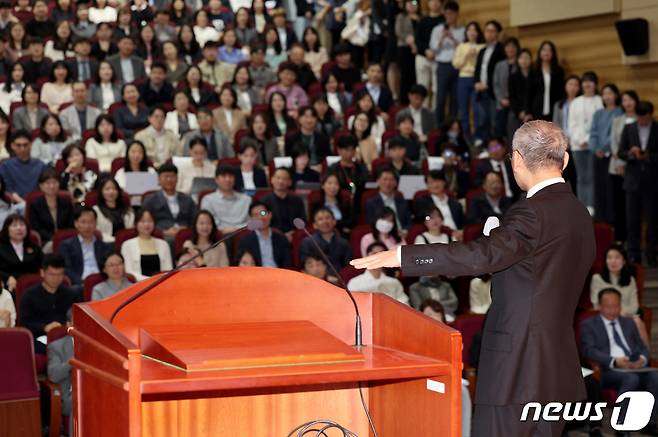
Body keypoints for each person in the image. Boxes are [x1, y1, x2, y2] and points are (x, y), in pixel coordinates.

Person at [351, 120, 596, 437]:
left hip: (516, 369)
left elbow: (483, 256)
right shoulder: (579, 214)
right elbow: (542, 268)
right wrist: (500, 238)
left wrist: (402, 255)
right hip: (556, 367)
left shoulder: (530, 213)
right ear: (564, 160)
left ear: (517, 159)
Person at [580, 288, 658, 436]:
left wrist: (641, 359)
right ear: (600, 306)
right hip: (608, 371)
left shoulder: (628, 323)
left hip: (635, 367)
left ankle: (650, 422)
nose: (613, 310)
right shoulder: (589, 324)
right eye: (609, 307)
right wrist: (615, 361)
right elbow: (588, 351)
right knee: (631, 378)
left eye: (616, 306)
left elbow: (643, 348)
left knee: (655, 377)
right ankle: (621, 425)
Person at [618, 101, 658, 266]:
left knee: (653, 220)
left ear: (651, 115)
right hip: (632, 181)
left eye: (645, 118)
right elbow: (620, 152)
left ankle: (652, 254)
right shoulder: (629, 128)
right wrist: (631, 154)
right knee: (632, 221)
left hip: (653, 181)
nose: (642, 121)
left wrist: (649, 156)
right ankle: (633, 254)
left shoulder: (657, 128)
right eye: (640, 118)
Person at [590, 244, 648, 345]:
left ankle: (643, 358)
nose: (613, 261)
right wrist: (619, 312)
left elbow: (634, 307)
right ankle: (643, 358)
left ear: (624, 261)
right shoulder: (597, 279)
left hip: (628, 317)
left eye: (617, 257)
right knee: (637, 322)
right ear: (605, 261)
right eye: (609, 257)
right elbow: (596, 304)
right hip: (606, 318)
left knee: (637, 321)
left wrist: (622, 313)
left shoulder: (630, 280)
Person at [568, 71, 603, 214]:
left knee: (593, 176)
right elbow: (572, 123)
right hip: (578, 145)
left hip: (594, 145)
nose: (587, 84)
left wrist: (589, 140)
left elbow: (600, 124)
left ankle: (592, 205)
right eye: (585, 81)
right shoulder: (576, 102)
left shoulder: (600, 101)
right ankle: (582, 206)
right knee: (582, 177)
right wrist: (580, 139)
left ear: (595, 84)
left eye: (591, 81)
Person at [590, 83, 623, 223]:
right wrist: (595, 148)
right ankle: (600, 219)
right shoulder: (598, 113)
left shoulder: (620, 112)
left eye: (610, 93)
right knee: (599, 187)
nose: (607, 96)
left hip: (612, 156)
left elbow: (615, 135)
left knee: (611, 190)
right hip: (598, 155)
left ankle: (612, 220)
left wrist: (605, 148)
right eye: (604, 93)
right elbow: (593, 133)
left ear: (616, 95)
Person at [609, 90, 639, 242]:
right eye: (625, 100)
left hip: (635, 170)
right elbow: (614, 143)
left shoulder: (641, 120)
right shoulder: (617, 120)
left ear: (636, 101)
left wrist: (627, 163)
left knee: (633, 208)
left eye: (630, 100)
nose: (627, 103)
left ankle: (634, 240)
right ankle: (620, 240)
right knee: (619, 205)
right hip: (616, 168)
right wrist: (620, 163)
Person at [57, 207, 113, 286]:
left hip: (102, 283)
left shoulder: (105, 246)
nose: (87, 226)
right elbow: (66, 269)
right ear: (76, 224)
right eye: (83, 222)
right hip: (79, 284)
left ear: (96, 224)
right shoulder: (66, 246)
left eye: (91, 222)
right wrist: (83, 283)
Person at [429, 1, 464, 125]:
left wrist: (453, 39)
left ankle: (451, 125)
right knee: (440, 97)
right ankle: (439, 125)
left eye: (452, 14)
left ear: (457, 14)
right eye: (447, 13)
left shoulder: (462, 30)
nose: (449, 16)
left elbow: (462, 49)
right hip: (442, 65)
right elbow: (433, 49)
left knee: (454, 98)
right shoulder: (437, 29)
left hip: (456, 66)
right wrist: (442, 38)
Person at [143, 163, 197, 239]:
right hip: (160, 237)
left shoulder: (187, 199)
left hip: (185, 236)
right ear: (159, 179)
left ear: (177, 178)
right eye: (166, 176)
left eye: (172, 176)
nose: (169, 179)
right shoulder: (150, 199)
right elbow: (144, 223)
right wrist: (163, 232)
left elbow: (195, 221)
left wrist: (186, 229)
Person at [473, 20, 505, 145]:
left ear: (497, 33)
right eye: (487, 31)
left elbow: (500, 74)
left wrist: (488, 85)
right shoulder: (482, 50)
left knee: (494, 122)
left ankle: (495, 148)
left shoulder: (501, 50)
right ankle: (484, 147)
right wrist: (476, 82)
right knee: (482, 121)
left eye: (492, 31)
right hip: (480, 90)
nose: (489, 34)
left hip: (493, 92)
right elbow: (477, 69)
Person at [452, 21, 484, 143]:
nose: (472, 32)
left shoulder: (481, 46)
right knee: (463, 111)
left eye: (474, 30)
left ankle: (477, 137)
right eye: (469, 30)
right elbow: (456, 65)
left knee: (477, 110)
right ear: (466, 32)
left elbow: (482, 66)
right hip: (463, 78)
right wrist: (466, 55)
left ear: (478, 33)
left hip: (476, 79)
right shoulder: (461, 46)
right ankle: (466, 137)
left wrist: (475, 55)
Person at [120, 208, 173, 281]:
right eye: (142, 221)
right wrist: (149, 280)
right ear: (136, 223)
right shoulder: (127, 245)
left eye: (150, 221)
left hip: (160, 284)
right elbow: (129, 272)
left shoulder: (163, 244)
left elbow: (168, 270)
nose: (146, 224)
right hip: (137, 286)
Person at [237, 201, 292, 268]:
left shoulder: (282, 238)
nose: (260, 217)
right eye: (255, 215)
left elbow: (287, 264)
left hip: (278, 275)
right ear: (251, 219)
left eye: (263, 213)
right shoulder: (245, 241)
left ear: (270, 215)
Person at [28, 168, 74, 245]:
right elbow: (36, 229)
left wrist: (62, 238)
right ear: (41, 186)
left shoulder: (66, 203)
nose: (52, 186)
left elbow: (71, 225)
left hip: (66, 240)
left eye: (55, 182)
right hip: (46, 241)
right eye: (48, 183)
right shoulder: (35, 205)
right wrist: (54, 239)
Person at [200, 165, 251, 233]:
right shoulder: (208, 200)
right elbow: (207, 223)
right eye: (224, 176)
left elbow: (255, 222)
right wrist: (225, 230)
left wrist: (237, 229)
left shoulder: (247, 199)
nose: (228, 179)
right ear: (216, 179)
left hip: (244, 234)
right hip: (219, 235)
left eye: (230, 176)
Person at [414, 170, 465, 236]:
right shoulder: (422, 203)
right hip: (435, 235)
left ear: (444, 182)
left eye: (438, 181)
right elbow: (424, 220)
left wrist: (461, 232)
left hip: (458, 237)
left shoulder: (455, 203)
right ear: (427, 185)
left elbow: (462, 223)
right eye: (431, 182)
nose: (435, 185)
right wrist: (449, 232)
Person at [0, 214, 43, 292]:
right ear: (7, 229)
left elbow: (45, 264)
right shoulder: (1, 247)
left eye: (22, 225)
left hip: (33, 287)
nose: (19, 228)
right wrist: (7, 277)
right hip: (10, 286)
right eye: (14, 225)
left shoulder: (34, 247)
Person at [0, 130, 46, 201]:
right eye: (18, 145)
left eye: (25, 145)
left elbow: (44, 188)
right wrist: (24, 204)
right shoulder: (5, 166)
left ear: (31, 145)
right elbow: (8, 190)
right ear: (12, 146)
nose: (22, 149)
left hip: (38, 203)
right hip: (14, 205)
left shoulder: (40, 165)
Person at [261, 167, 306, 239]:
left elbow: (302, 221)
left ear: (290, 182)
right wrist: (281, 236)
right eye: (278, 178)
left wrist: (294, 234)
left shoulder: (297, 201)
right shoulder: (264, 202)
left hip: (294, 237)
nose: (281, 181)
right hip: (272, 237)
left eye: (284, 179)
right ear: (272, 180)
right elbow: (262, 217)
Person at [364, 167, 412, 232]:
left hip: (403, 235)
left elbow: (409, 223)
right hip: (382, 236)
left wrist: (405, 231)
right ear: (377, 182)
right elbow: (371, 225)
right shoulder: (371, 203)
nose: (388, 183)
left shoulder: (402, 201)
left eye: (391, 180)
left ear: (395, 183)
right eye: (385, 179)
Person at [529, 40, 565, 121]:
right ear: (540, 52)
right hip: (536, 110)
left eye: (549, 50)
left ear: (553, 53)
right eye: (544, 50)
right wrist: (528, 111)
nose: (546, 52)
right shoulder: (533, 70)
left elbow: (561, 91)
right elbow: (529, 91)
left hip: (553, 110)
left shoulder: (559, 71)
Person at [492, 37, 519, 138]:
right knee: (500, 130)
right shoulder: (499, 65)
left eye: (513, 46)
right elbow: (496, 84)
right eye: (508, 47)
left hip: (516, 105)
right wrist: (501, 99)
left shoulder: (520, 64)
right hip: (502, 103)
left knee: (513, 132)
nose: (510, 49)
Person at [93, 178, 135, 243]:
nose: (111, 192)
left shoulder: (128, 210)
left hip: (127, 244)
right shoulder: (96, 211)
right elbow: (97, 232)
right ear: (101, 192)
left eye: (114, 189)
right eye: (107, 189)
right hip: (105, 244)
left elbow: (132, 230)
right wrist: (115, 241)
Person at [507, 48, 532, 136]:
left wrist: (529, 113)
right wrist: (519, 112)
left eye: (526, 58)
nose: (524, 60)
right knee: (515, 139)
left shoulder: (536, 76)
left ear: (530, 60)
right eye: (521, 58)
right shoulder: (513, 77)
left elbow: (537, 97)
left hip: (532, 114)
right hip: (516, 112)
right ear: (518, 60)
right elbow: (512, 97)